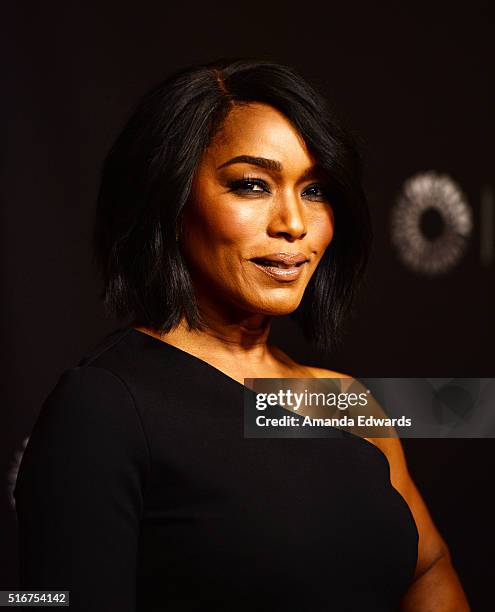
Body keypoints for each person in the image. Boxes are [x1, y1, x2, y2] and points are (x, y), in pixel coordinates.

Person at [14, 59, 469, 611]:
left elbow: (429, 564)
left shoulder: (344, 401)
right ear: (172, 200)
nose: (293, 224)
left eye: (317, 190)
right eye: (253, 185)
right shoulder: (102, 405)